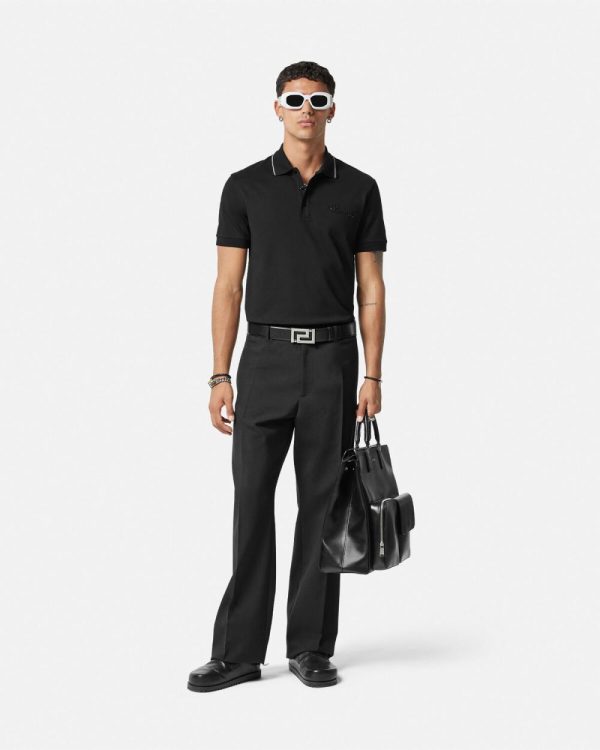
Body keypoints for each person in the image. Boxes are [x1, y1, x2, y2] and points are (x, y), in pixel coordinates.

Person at [187, 60, 388, 692]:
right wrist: (218, 375)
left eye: (318, 100)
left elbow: (371, 287)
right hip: (264, 358)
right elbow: (227, 286)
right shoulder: (244, 186)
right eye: (295, 99)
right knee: (251, 503)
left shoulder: (360, 189)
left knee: (322, 507)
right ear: (277, 108)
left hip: (333, 361)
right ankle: (238, 653)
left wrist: (374, 374)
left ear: (333, 110)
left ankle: (310, 647)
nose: (306, 109)